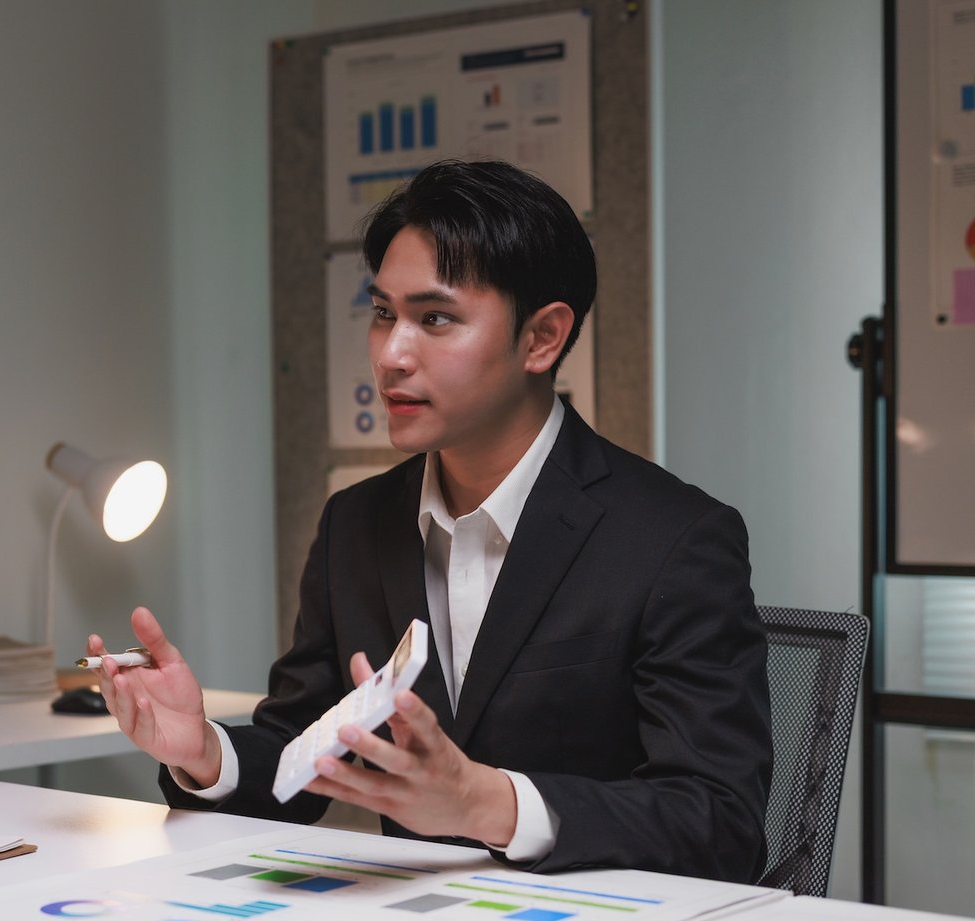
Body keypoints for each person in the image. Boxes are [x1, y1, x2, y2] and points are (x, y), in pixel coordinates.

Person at [87, 159, 772, 883]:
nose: (390, 355)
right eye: (383, 313)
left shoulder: (673, 539)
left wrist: (491, 804)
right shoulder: (357, 523)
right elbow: (302, 747)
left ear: (542, 338)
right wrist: (203, 752)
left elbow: (721, 822)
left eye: (435, 318)